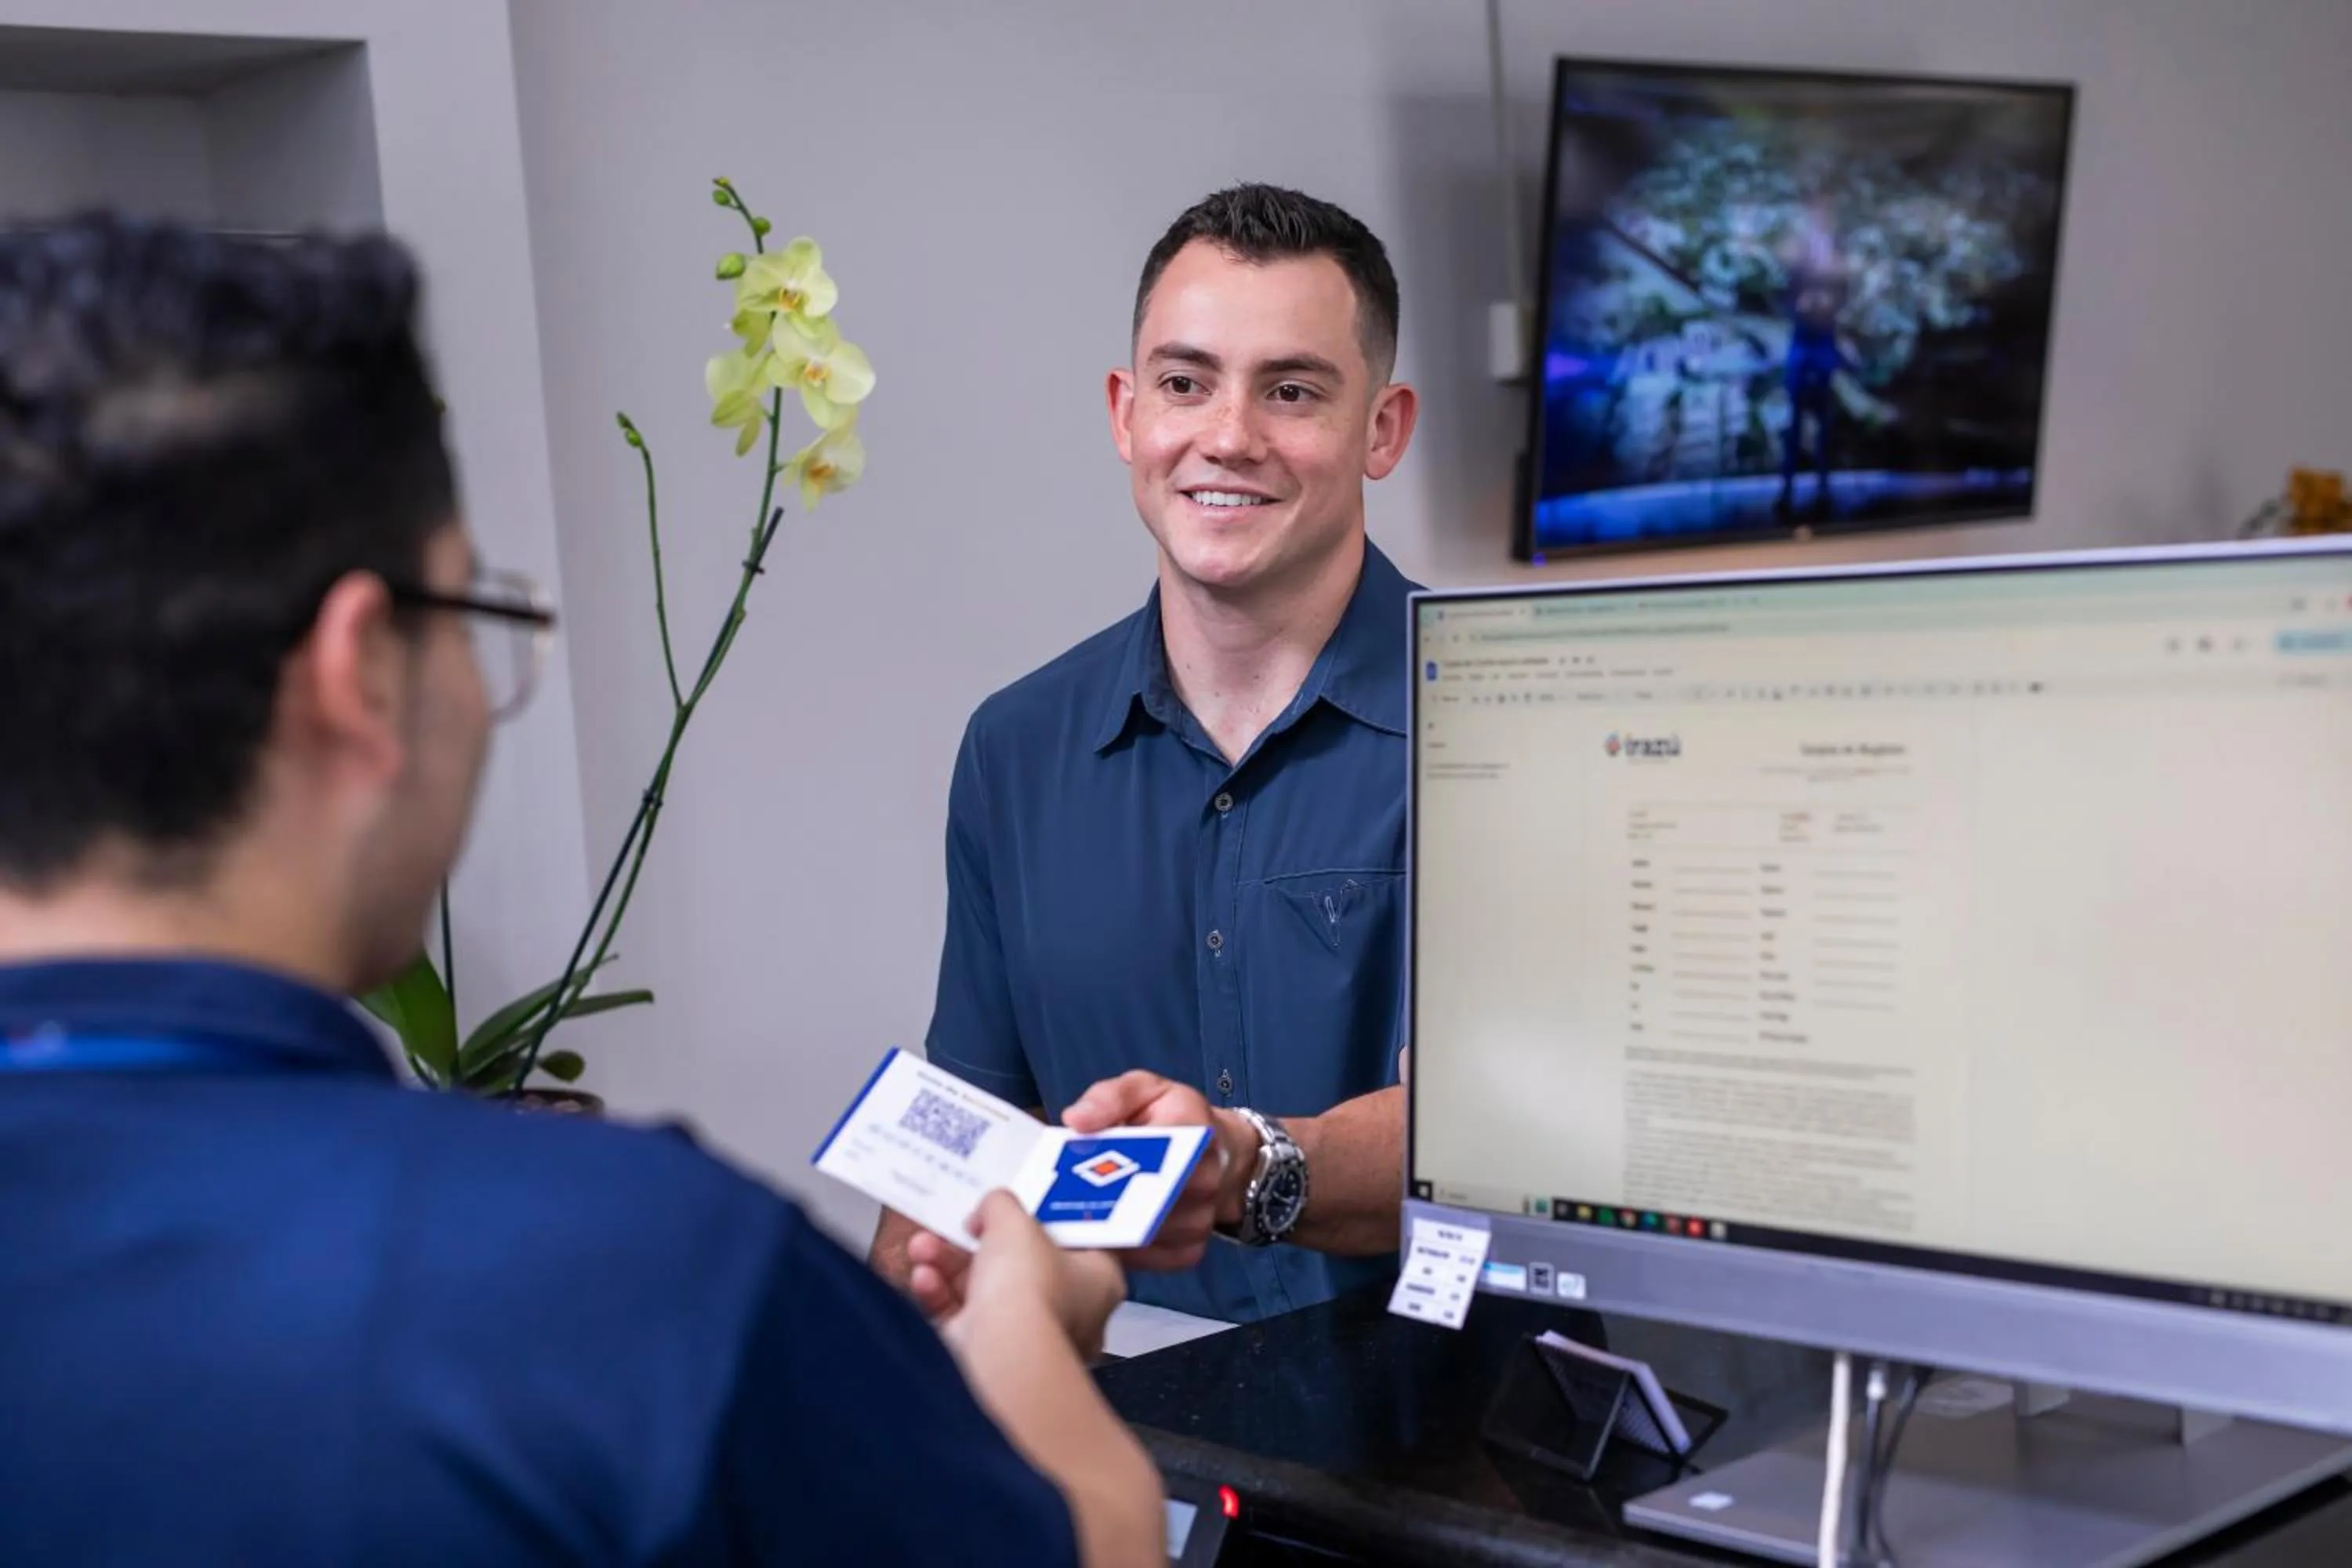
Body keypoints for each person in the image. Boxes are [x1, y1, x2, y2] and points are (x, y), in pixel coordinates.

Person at [0, 215, 1160, 1568]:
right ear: (363, 673)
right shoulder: (639, 1283)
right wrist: (1033, 1325)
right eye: (469, 617)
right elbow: (1089, 1543)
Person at [872, 184, 1423, 1326]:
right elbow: (973, 1124)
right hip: (1136, 1447)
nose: (1227, 435)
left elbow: (1501, 1152)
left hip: (1454, 1446)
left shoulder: (1494, 729)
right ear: (1127, 414)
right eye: (1185, 382)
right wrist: (917, 1281)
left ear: (1383, 429)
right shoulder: (1014, 751)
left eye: (1292, 390)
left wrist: (1240, 1162)